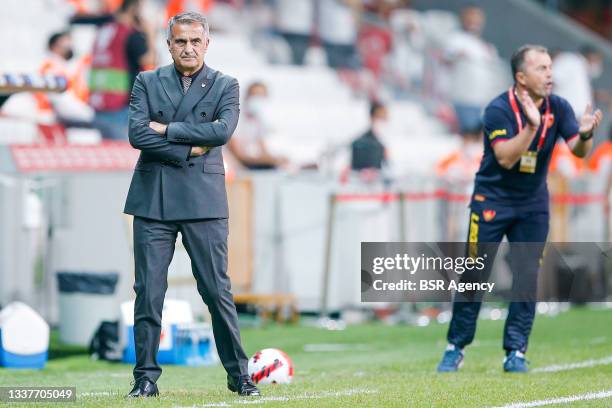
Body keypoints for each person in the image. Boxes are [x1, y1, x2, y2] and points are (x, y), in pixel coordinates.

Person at [436, 44, 603, 373]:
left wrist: (585, 135)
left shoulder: (560, 106)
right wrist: (530, 126)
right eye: (541, 68)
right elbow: (506, 157)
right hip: (491, 201)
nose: (550, 74)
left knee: (527, 277)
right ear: (521, 77)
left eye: (550, 66)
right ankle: (456, 346)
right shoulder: (498, 109)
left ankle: (515, 351)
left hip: (532, 205)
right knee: (474, 275)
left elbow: (579, 152)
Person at [123, 11, 260, 397]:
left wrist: (165, 129)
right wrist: (190, 148)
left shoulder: (226, 85)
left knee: (217, 291)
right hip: (153, 202)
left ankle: (239, 375)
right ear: (169, 44)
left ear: (206, 44)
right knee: (149, 292)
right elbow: (136, 135)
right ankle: (145, 379)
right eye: (180, 41)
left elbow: (222, 131)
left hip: (204, 202)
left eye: (195, 41)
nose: (187, 47)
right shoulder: (146, 81)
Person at [89, 0, 156, 140]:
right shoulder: (130, 33)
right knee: (123, 156)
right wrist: (150, 34)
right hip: (120, 105)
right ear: (133, 9)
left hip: (99, 102)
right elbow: (149, 60)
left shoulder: (103, 30)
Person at [444, 5, 499, 138]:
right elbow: (447, 59)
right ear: (463, 19)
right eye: (471, 19)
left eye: (477, 20)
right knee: (467, 136)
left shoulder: (485, 46)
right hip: (463, 98)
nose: (474, 24)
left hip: (482, 99)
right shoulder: (455, 39)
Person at [34, 30, 94, 128]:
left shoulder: (61, 65)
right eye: (64, 45)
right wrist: (88, 114)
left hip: (61, 117)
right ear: (53, 47)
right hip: (50, 119)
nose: (69, 48)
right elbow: (61, 100)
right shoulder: (51, 68)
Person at [227, 82, 288, 169]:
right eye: (255, 95)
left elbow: (264, 151)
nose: (258, 100)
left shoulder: (259, 121)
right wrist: (270, 160)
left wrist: (278, 159)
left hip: (247, 168)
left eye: (261, 96)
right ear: (247, 97)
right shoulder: (234, 118)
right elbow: (239, 156)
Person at [553, 45, 603, 118]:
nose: (599, 64)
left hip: (574, 120)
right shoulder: (570, 60)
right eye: (598, 60)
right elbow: (551, 81)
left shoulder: (584, 71)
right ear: (591, 56)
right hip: (561, 115)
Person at [351, 101, 388, 171]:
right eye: (381, 117)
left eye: (385, 117)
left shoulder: (385, 140)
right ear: (372, 118)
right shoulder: (361, 144)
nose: (384, 120)